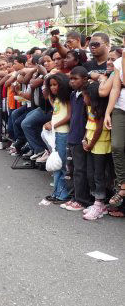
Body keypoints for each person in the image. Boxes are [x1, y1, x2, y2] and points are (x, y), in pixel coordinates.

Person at [61, 67, 90, 211]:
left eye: (75, 79)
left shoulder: (87, 96)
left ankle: (82, 200)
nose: (71, 82)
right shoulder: (73, 95)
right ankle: (73, 197)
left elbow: (89, 119)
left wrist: (85, 138)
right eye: (70, 79)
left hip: (81, 138)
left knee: (80, 170)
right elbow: (72, 116)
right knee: (71, 170)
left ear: (85, 79)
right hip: (72, 136)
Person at [82, 81, 112, 220]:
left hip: (100, 144)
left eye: (85, 96)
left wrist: (90, 143)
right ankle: (97, 201)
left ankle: (99, 203)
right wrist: (85, 140)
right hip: (90, 142)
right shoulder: (89, 107)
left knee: (98, 174)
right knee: (90, 173)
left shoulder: (100, 109)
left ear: (92, 96)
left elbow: (99, 129)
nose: (83, 99)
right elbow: (89, 126)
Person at [43, 73, 71, 203]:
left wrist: (54, 124)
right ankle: (57, 192)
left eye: (55, 85)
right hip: (56, 133)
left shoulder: (66, 98)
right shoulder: (57, 99)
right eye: (51, 85)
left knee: (62, 164)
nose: (53, 87)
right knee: (57, 164)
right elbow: (56, 112)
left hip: (63, 133)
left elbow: (68, 116)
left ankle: (63, 193)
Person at [104, 50, 125, 212]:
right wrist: (108, 112)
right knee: (117, 146)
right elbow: (115, 89)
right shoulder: (119, 62)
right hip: (120, 109)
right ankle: (122, 186)